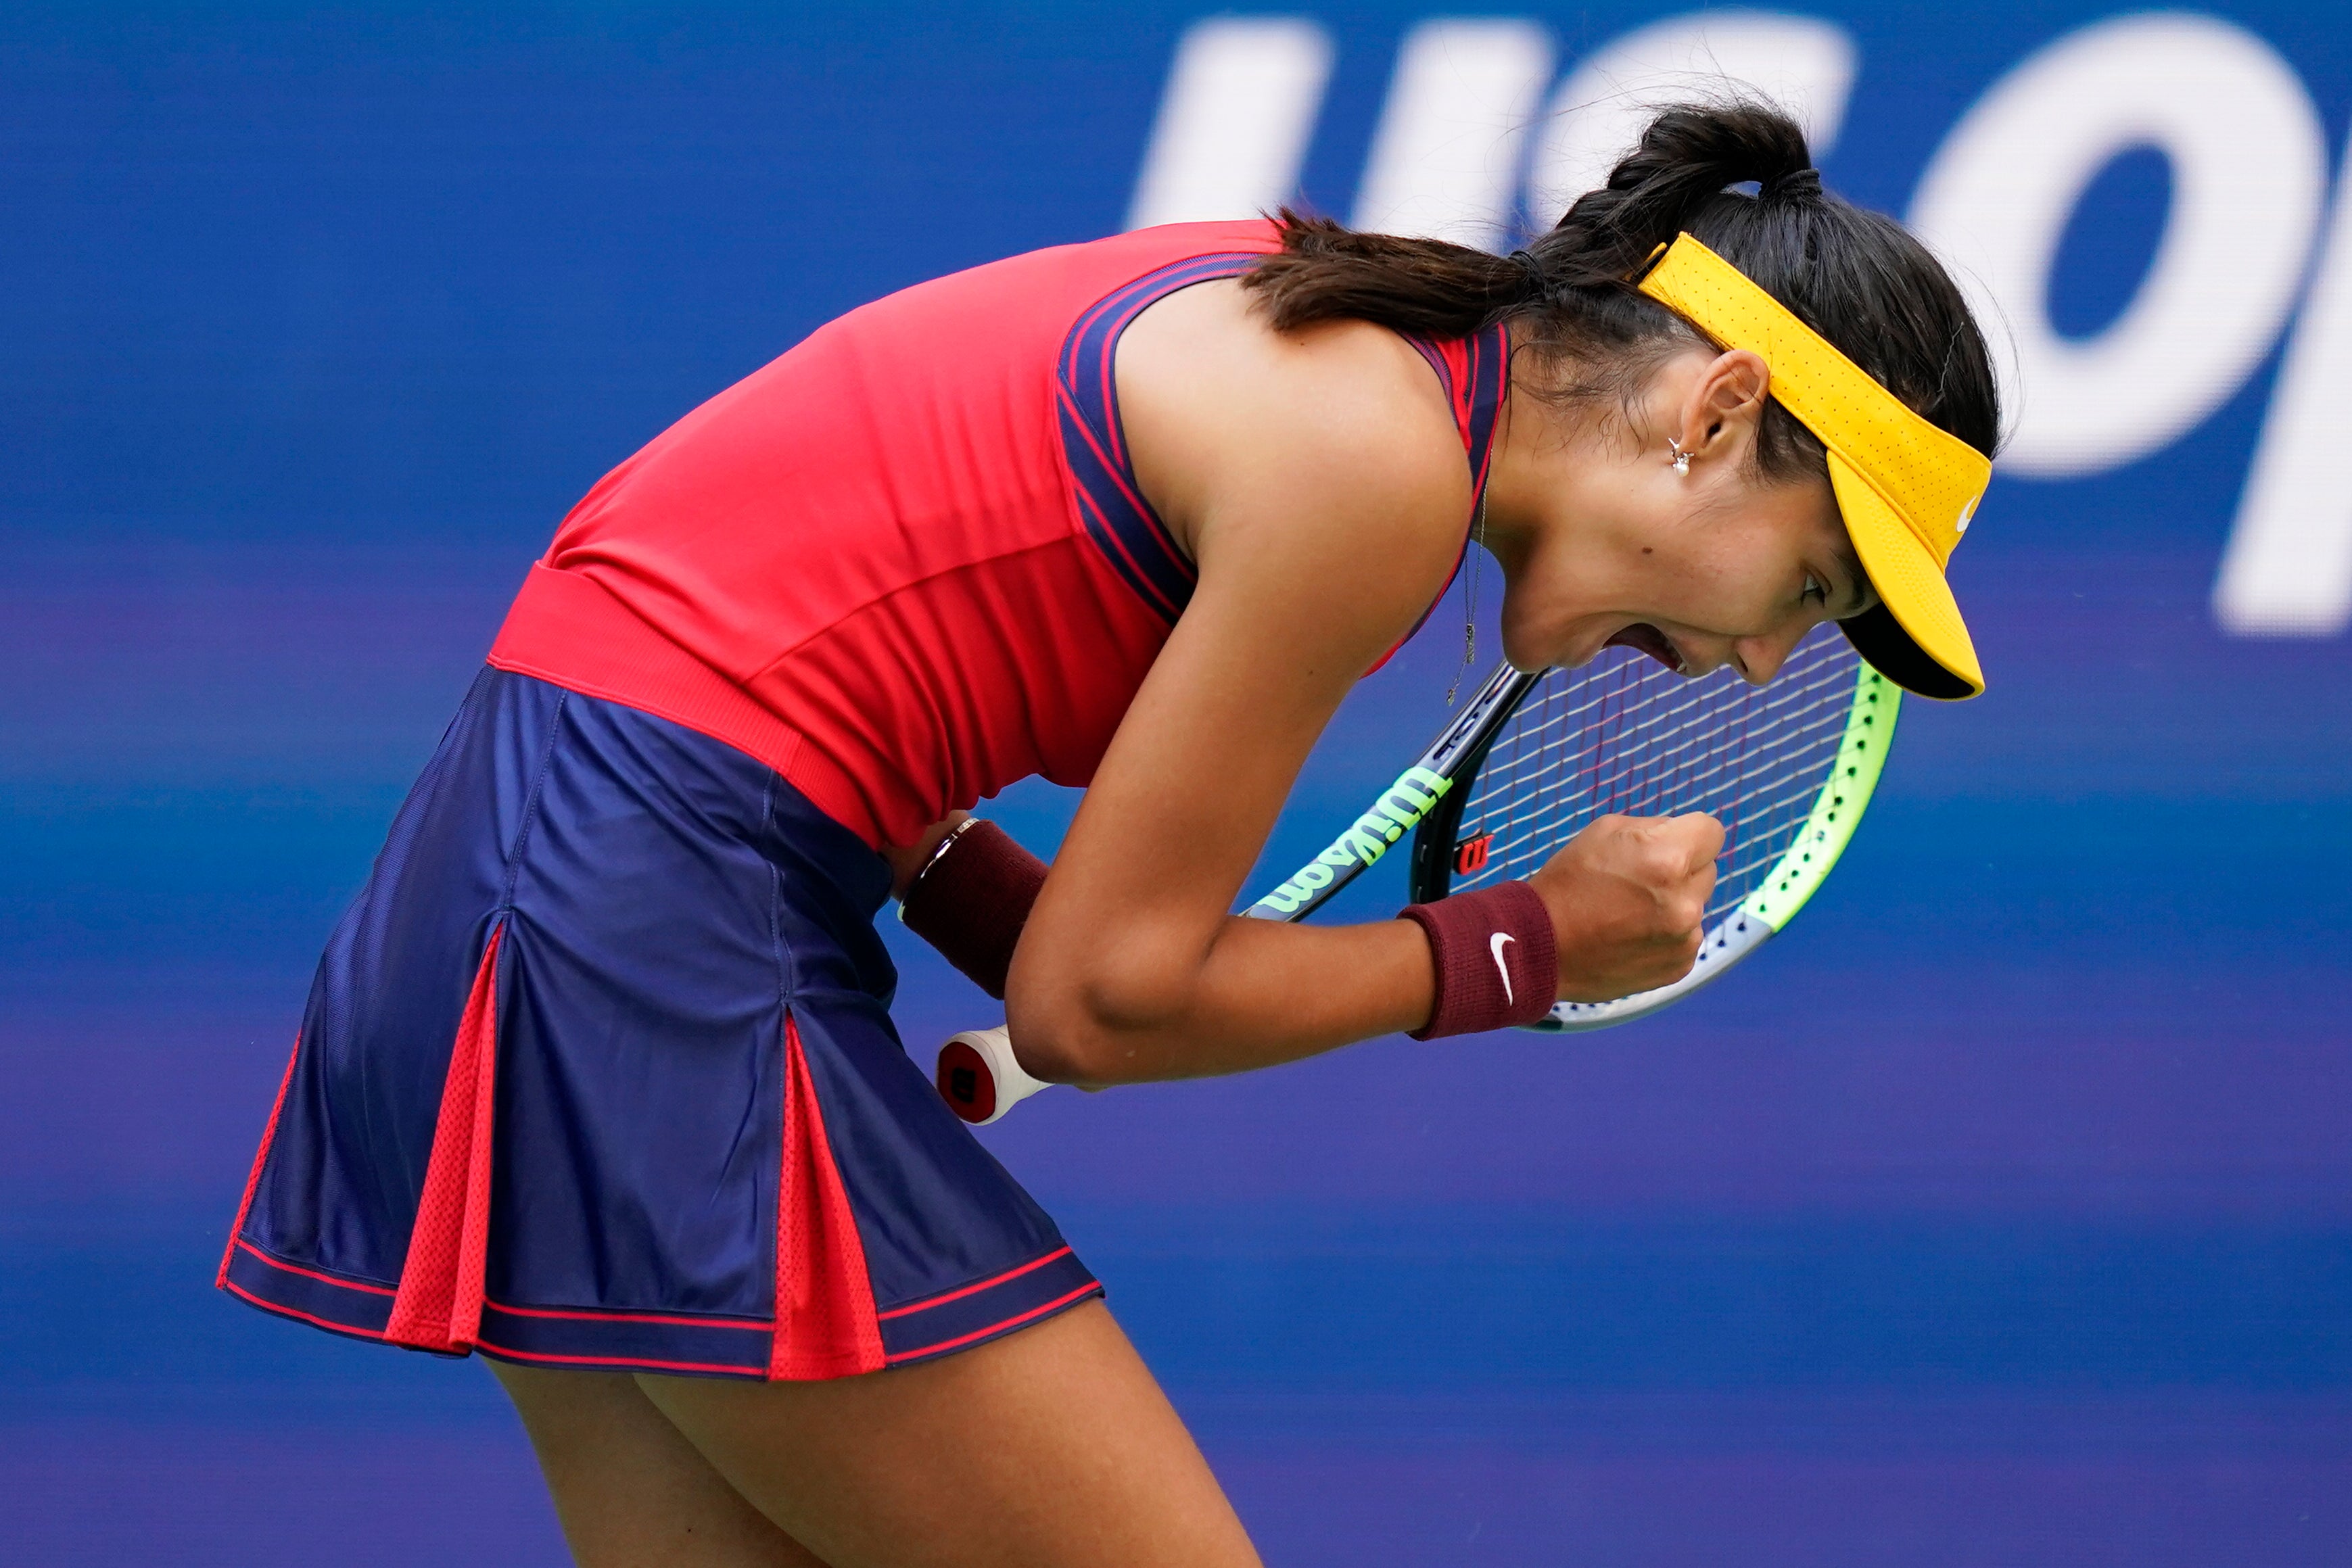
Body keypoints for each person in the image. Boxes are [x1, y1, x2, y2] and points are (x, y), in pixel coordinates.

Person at [219, 102, 1998, 1567]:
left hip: (513, 892)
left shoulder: (1336, 335)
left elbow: (932, 831)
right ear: (1718, 413)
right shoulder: (1371, 465)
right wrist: (1521, 941)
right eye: (1813, 587)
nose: (1768, 661)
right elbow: (1102, 1010)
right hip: (640, 929)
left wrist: (942, 866)